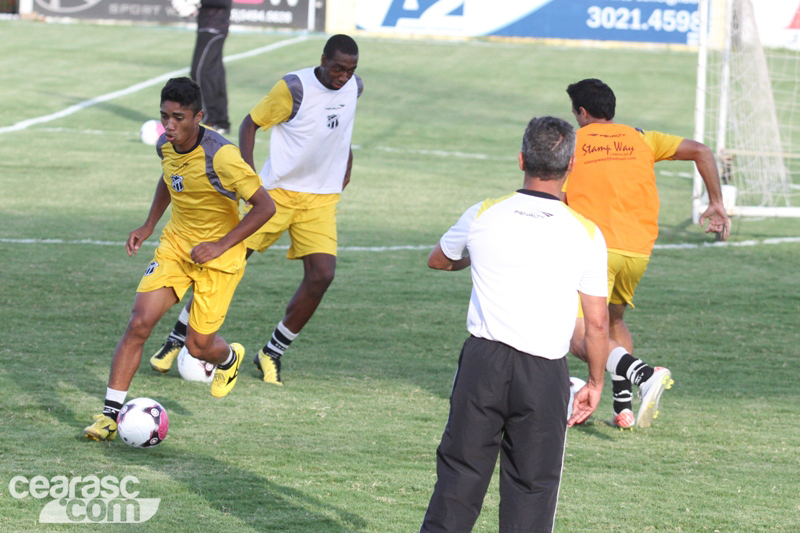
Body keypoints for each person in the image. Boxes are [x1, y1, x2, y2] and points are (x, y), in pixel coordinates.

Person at [419, 116, 610, 532]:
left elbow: (439, 259)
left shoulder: (484, 212)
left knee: (459, 476)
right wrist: (595, 383)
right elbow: (596, 325)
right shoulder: (587, 233)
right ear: (571, 164)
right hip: (544, 371)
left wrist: (475, 258)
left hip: (482, 361)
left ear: (521, 158)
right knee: (532, 488)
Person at [149, 34, 363, 387]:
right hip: (277, 192)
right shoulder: (293, 88)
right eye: (338, 68)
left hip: (321, 199)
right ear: (323, 59)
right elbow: (250, 123)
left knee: (322, 274)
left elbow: (340, 127)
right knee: (223, 260)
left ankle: (273, 351)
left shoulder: (354, 87)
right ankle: (176, 339)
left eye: (350, 70)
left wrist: (348, 161)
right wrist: (249, 179)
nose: (343, 77)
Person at [84, 77, 275, 441]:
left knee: (198, 345)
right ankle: (109, 415)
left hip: (219, 258)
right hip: (176, 247)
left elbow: (265, 206)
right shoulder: (165, 145)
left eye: (178, 118)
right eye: (164, 117)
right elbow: (170, 180)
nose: (169, 126)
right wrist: (149, 224)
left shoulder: (222, 155)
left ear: (198, 117)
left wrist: (220, 244)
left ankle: (229, 359)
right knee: (140, 322)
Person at [564, 78, 731, 429]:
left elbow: (560, 197)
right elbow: (701, 150)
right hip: (637, 251)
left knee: (577, 334)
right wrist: (716, 202)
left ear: (581, 112)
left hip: (594, 249)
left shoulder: (572, 143)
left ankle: (643, 374)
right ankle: (622, 408)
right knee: (613, 321)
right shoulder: (642, 137)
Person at [174, 0, 232, 134]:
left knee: (199, 72)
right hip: (208, 26)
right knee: (215, 74)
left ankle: (208, 119)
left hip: (214, 27)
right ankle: (221, 121)